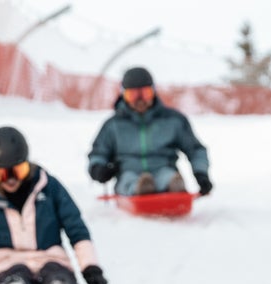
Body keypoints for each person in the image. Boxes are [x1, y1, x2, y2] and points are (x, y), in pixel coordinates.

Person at [0, 126, 109, 284]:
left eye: (18, 171)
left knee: (58, 282)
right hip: (3, 264)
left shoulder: (49, 188)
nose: (11, 180)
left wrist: (90, 269)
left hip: (51, 259)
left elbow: (77, 230)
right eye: (1, 174)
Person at [88, 66, 213, 197]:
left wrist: (201, 173)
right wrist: (98, 168)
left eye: (145, 93)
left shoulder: (173, 120)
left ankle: (173, 185)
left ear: (153, 92)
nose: (140, 100)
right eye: (133, 95)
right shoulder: (113, 125)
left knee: (167, 176)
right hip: (129, 172)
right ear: (123, 95)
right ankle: (140, 188)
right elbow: (98, 152)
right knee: (129, 180)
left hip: (163, 168)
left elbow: (195, 149)